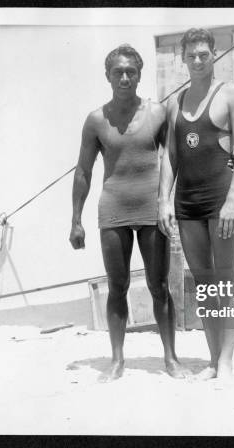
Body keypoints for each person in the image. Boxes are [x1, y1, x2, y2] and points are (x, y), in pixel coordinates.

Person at [70, 44, 190, 382]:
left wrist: (167, 201)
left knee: (158, 285)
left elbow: (172, 160)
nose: (124, 77)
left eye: (131, 71)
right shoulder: (96, 120)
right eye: (117, 72)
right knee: (117, 286)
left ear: (139, 74)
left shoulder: (157, 113)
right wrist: (75, 220)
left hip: (151, 209)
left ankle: (170, 358)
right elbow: (82, 171)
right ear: (107, 76)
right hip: (113, 210)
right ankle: (117, 361)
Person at [158, 28, 234, 382]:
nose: (198, 61)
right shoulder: (174, 104)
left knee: (225, 284)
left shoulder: (231, 94)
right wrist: (163, 200)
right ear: (182, 59)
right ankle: (214, 360)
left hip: (220, 201)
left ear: (214, 54)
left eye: (204, 54)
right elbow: (170, 157)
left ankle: (226, 362)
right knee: (205, 285)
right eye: (191, 55)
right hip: (188, 204)